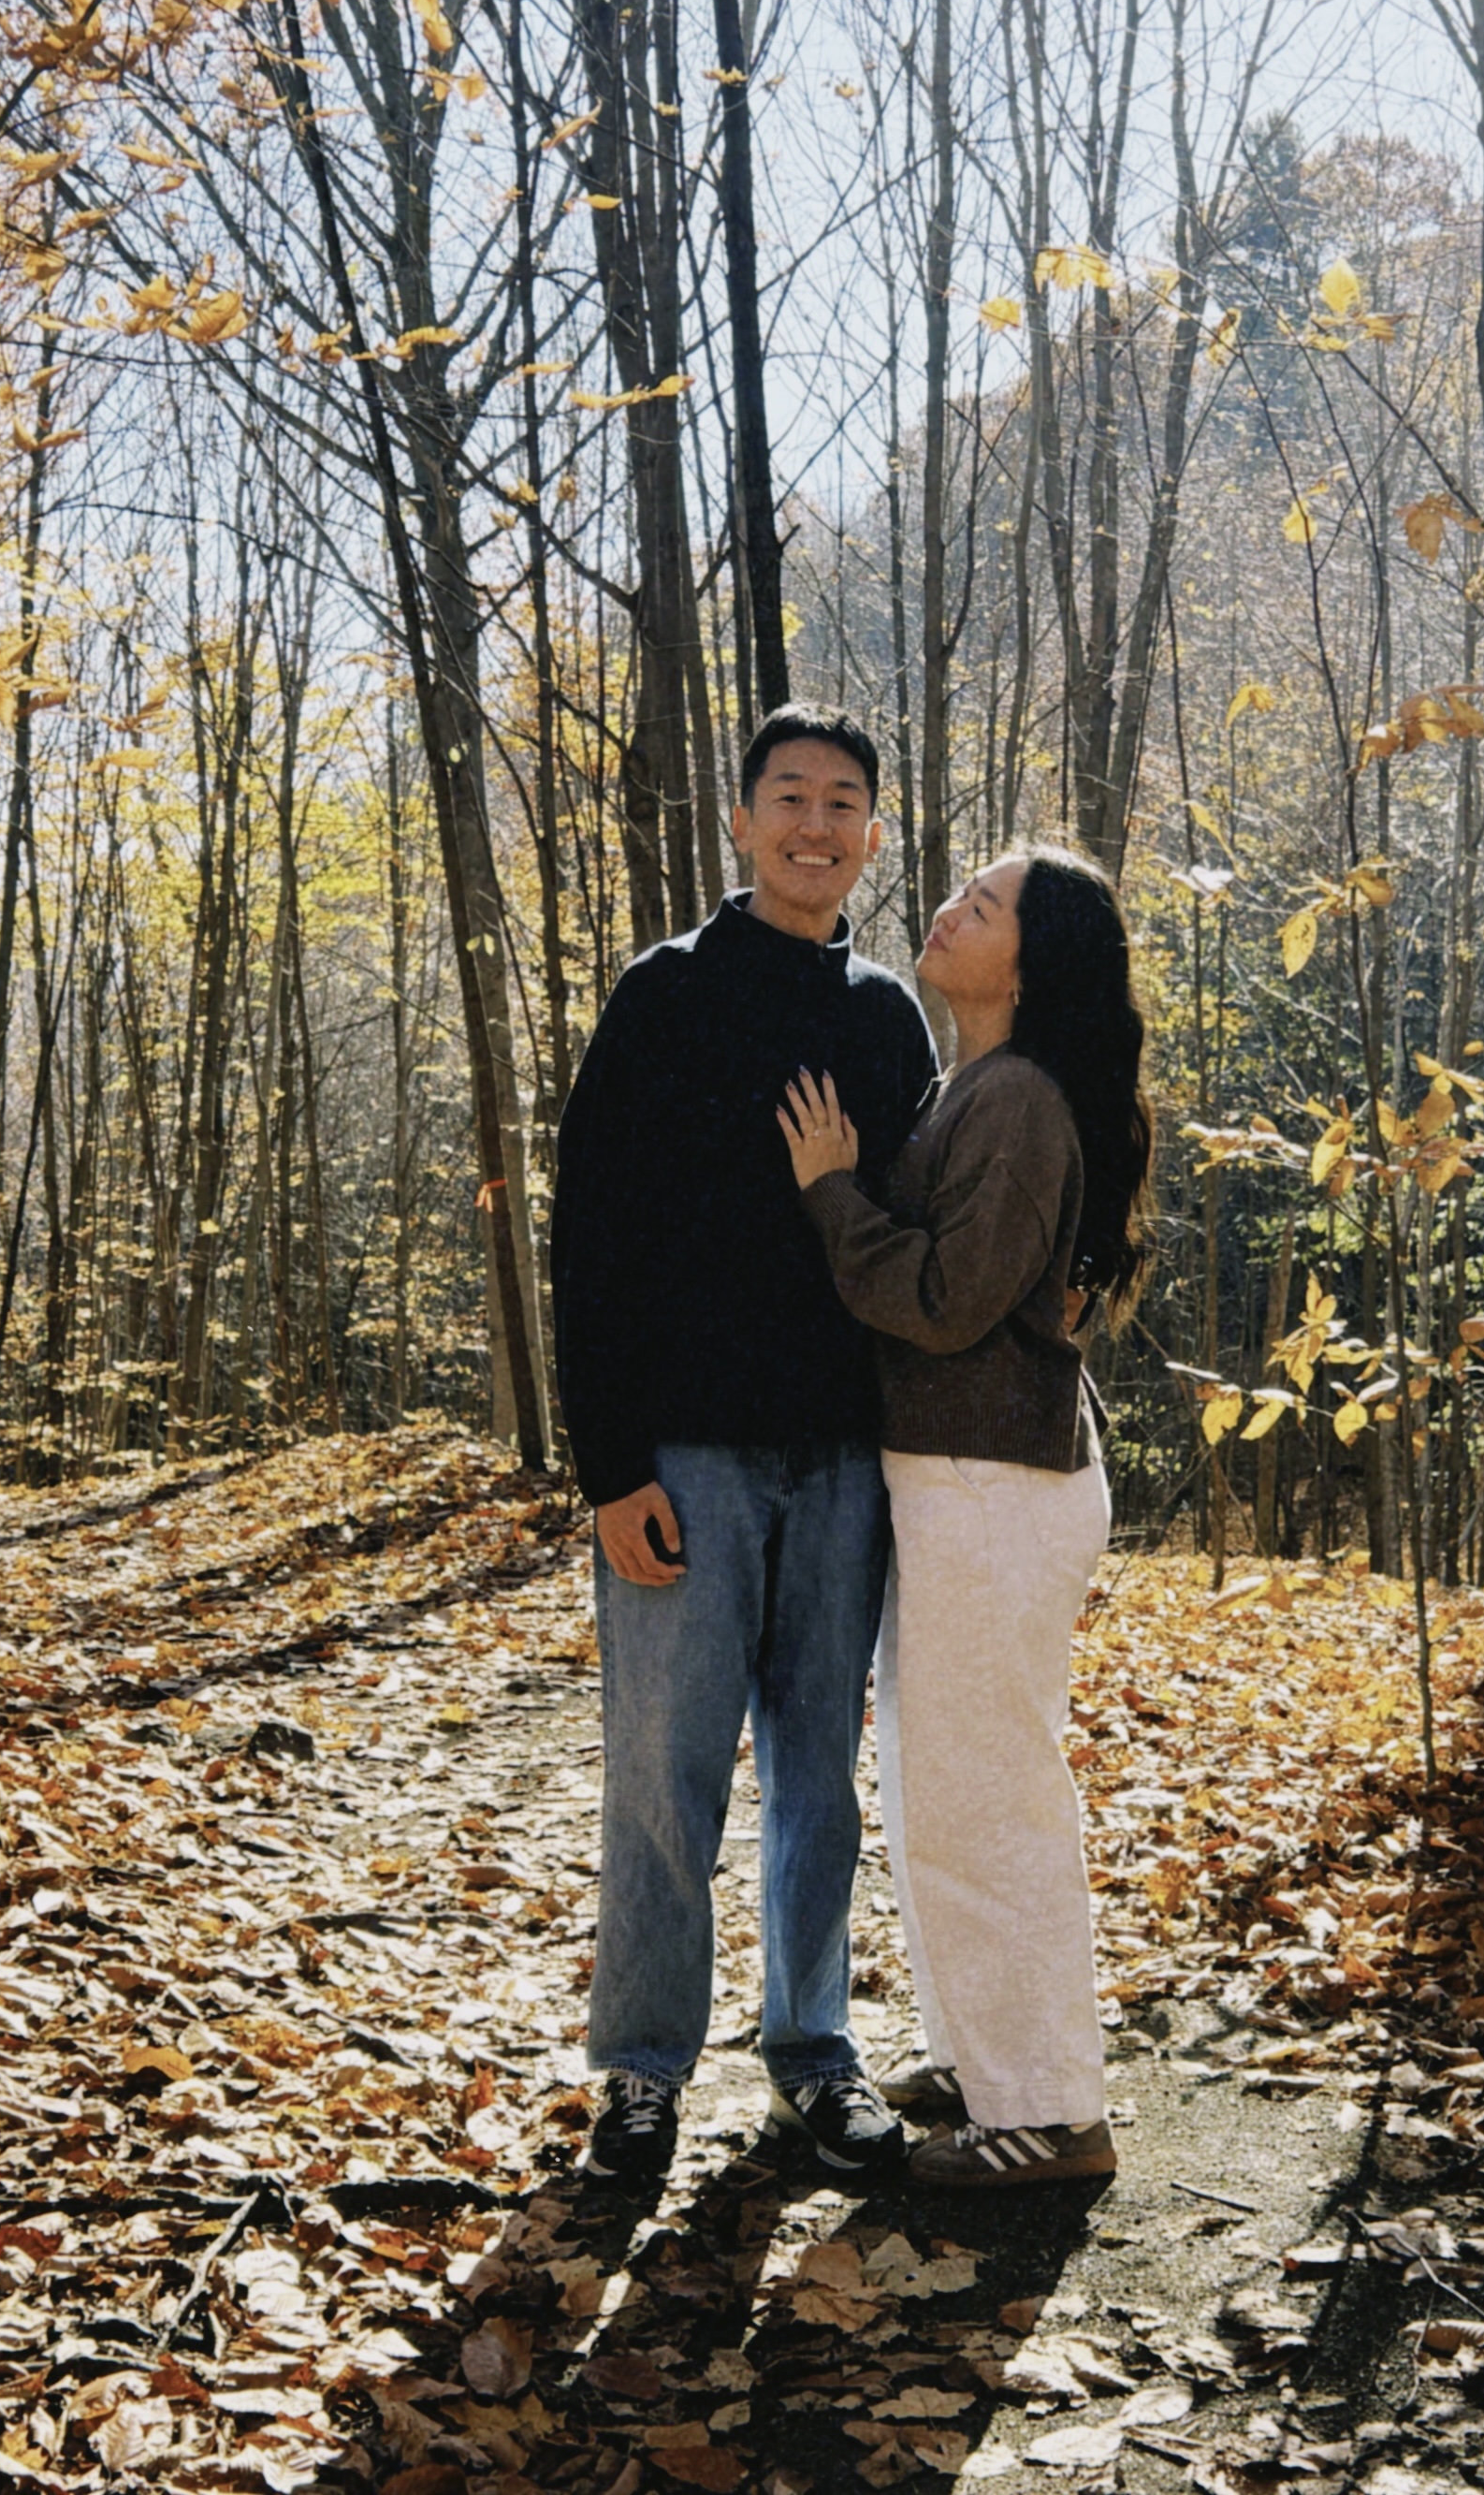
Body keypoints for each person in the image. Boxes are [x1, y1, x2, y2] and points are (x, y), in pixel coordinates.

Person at [548, 706, 938, 2185]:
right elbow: (589, 1240)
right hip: (687, 1462)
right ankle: (643, 2072)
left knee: (819, 1785)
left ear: (874, 836)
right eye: (790, 797)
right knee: (666, 1779)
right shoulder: (667, 996)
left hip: (845, 1461)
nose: (816, 825)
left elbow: (912, 1237)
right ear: (741, 819)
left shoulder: (886, 1016)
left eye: (845, 802)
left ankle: (814, 2055)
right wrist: (610, 1468)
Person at [774, 846, 1150, 2187]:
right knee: (943, 1794)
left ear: (1030, 961)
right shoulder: (974, 1087)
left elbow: (945, 1300)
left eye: (982, 908)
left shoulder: (1023, 1101)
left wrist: (830, 1193)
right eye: (959, 894)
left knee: (990, 1803)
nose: (948, 910)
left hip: (1000, 1491)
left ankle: (1050, 2117)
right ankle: (990, 2065)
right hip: (958, 1485)